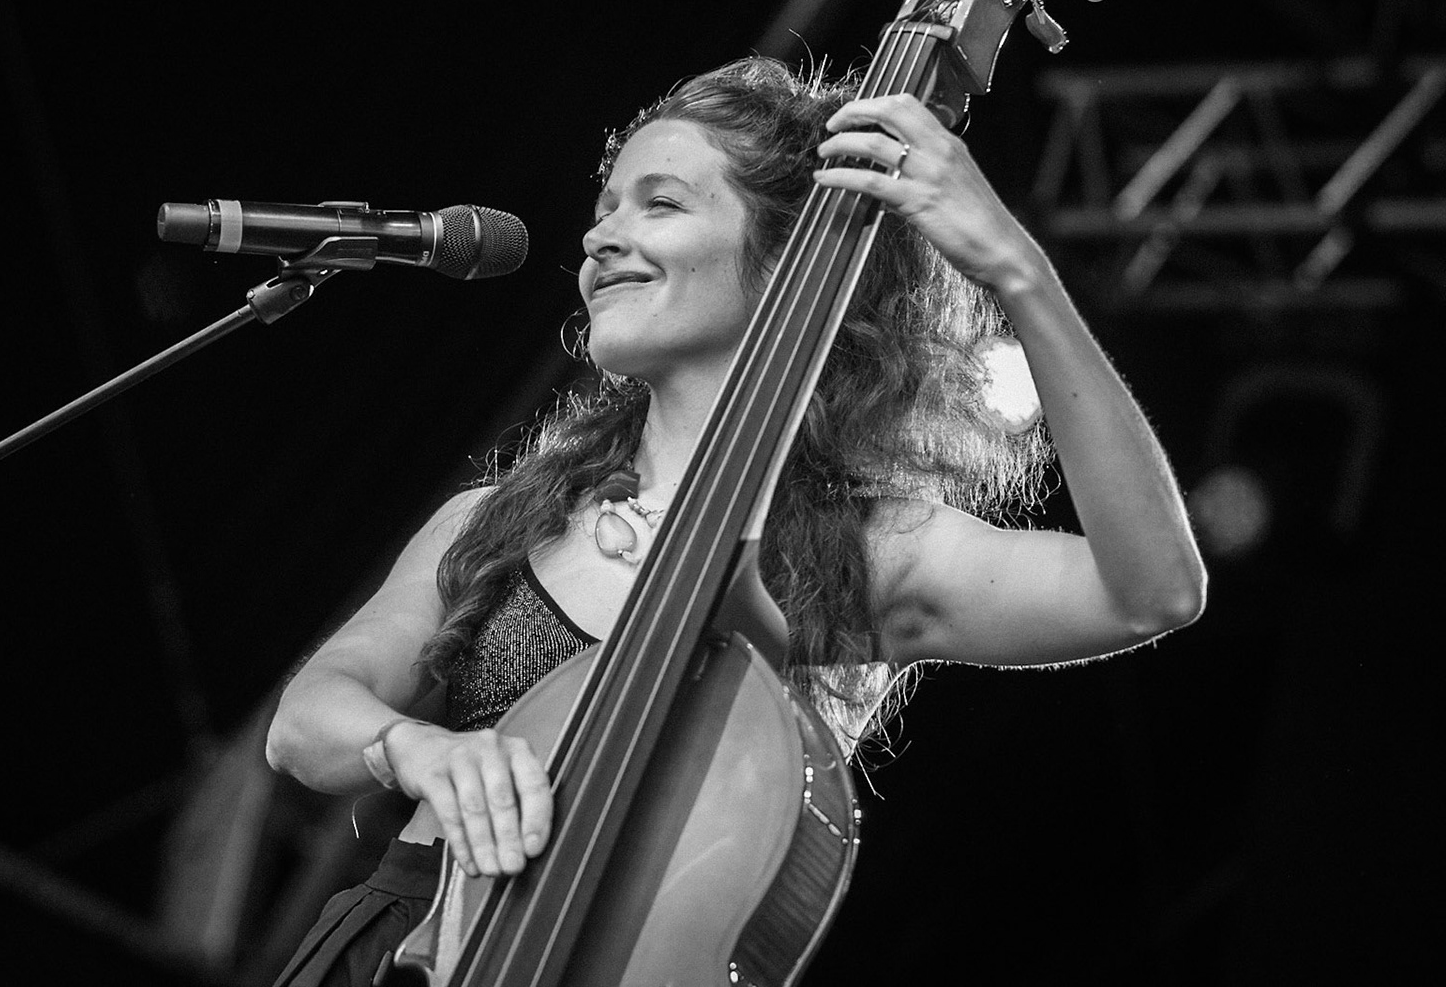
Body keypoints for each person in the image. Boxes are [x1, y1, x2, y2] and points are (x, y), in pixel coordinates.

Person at [263, 56, 1207, 985]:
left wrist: (1017, 268)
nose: (601, 238)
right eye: (606, 210)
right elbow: (305, 724)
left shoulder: (871, 551)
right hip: (398, 946)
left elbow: (1150, 592)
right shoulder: (503, 518)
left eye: (660, 204)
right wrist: (413, 748)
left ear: (782, 259)